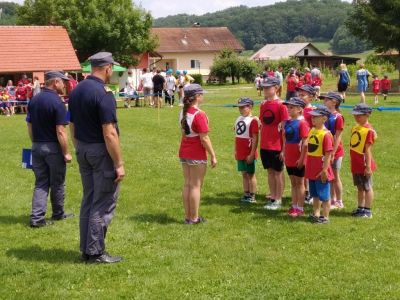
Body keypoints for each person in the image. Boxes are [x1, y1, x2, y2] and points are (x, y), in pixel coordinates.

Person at [69, 52, 125, 263]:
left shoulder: (76, 90)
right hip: (100, 152)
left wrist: (79, 147)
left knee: (89, 199)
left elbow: (71, 124)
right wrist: (119, 163)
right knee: (102, 202)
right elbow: (109, 132)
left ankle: (87, 248)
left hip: (83, 148)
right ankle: (95, 252)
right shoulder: (103, 94)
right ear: (108, 68)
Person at [26, 71, 73, 228]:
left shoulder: (34, 100)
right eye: (63, 82)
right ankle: (58, 213)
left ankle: (37, 218)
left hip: (37, 146)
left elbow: (29, 125)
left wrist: (35, 143)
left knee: (41, 182)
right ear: (55, 83)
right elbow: (61, 131)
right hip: (52, 147)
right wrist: (66, 152)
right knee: (58, 182)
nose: (65, 85)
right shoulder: (57, 103)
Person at [179, 84, 217, 224]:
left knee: (188, 184)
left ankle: (188, 217)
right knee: (195, 185)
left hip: (184, 151)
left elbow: (183, 133)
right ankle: (194, 218)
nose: (203, 96)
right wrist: (213, 155)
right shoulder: (199, 114)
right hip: (196, 153)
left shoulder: (183, 112)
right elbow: (204, 138)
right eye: (201, 94)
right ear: (197, 97)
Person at [259, 77, 289, 210]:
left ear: (276, 88)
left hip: (276, 145)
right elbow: (262, 123)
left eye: (268, 87)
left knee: (277, 173)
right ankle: (272, 197)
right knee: (270, 172)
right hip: (265, 144)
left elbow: (284, 129)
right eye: (264, 87)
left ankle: (278, 198)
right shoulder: (263, 104)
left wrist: (283, 149)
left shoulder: (282, 105)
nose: (265, 90)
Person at [306, 105, 334, 224]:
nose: (313, 119)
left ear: (324, 118)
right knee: (315, 194)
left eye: (316, 117)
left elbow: (328, 154)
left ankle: (325, 216)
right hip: (311, 168)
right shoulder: (312, 130)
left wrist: (324, 170)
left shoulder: (326, 134)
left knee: (324, 195)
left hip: (321, 169)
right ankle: (316, 213)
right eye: (312, 117)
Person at [282, 97, 309, 217]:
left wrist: (302, 158)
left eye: (291, 107)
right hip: (289, 156)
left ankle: (300, 207)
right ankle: (294, 205)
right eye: (288, 107)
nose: (288, 109)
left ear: (299, 109)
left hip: (298, 157)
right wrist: (283, 152)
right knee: (293, 183)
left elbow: (305, 142)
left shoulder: (302, 123)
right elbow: (284, 138)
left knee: (300, 183)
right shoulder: (287, 122)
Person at [349, 104, 377, 218]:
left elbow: (367, 149)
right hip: (355, 163)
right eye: (355, 115)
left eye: (359, 116)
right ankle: (360, 208)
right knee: (359, 187)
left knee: (367, 187)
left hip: (364, 163)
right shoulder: (355, 128)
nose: (356, 118)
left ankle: (367, 210)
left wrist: (368, 166)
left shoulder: (369, 130)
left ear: (367, 115)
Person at [320, 92, 345, 210]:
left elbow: (338, 136)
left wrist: (333, 152)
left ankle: (339, 201)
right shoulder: (324, 115)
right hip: (325, 150)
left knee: (335, 175)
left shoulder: (338, 117)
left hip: (335, 151)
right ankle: (331, 198)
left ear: (334, 102)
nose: (324, 101)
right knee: (329, 176)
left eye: (326, 100)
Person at [234, 97, 259, 203]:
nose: (241, 109)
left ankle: (252, 195)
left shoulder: (253, 120)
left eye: (244, 107)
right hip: (240, 152)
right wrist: (235, 150)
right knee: (244, 174)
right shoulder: (238, 119)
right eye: (240, 108)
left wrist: (252, 153)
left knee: (251, 174)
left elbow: (255, 137)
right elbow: (237, 136)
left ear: (250, 107)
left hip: (249, 153)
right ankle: (246, 193)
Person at [296, 84, 316, 205]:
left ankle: (309, 192)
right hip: (296, 143)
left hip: (307, 143)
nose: (300, 96)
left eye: (303, 95)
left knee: (307, 168)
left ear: (311, 97)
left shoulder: (312, 111)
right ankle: (303, 191)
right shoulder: (297, 109)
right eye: (299, 94)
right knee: (300, 168)